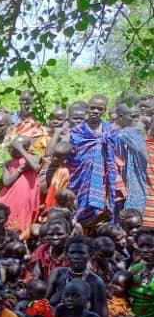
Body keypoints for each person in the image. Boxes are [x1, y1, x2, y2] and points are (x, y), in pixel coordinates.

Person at [70, 95, 121, 228]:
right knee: (77, 207)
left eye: (100, 109)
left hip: (102, 178)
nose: (96, 111)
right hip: (79, 177)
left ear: (104, 110)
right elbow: (71, 155)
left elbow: (117, 154)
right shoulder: (78, 130)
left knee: (100, 213)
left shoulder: (110, 131)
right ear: (87, 108)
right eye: (93, 108)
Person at [46, 236, 109, 317]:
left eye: (81, 253)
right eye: (72, 252)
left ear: (90, 254)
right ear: (66, 254)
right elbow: (44, 302)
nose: (76, 256)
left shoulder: (95, 282)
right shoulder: (57, 274)